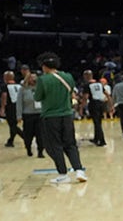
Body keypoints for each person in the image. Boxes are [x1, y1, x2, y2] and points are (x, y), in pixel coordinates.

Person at [34, 52, 87, 184]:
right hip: (67, 114)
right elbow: (71, 92)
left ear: (45, 66)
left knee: (54, 145)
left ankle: (63, 174)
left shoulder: (43, 79)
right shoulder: (67, 76)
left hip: (50, 116)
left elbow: (37, 97)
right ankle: (79, 170)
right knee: (70, 144)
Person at [17, 68, 43, 157]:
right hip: (28, 115)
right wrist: (19, 115)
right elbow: (19, 103)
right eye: (31, 78)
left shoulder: (41, 88)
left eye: (34, 78)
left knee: (40, 134)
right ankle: (28, 148)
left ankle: (40, 151)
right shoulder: (23, 89)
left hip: (40, 114)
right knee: (28, 135)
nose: (33, 79)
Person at [0, 70, 23, 147]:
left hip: (10, 107)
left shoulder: (5, 86)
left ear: (6, 77)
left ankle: (25, 137)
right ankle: (10, 141)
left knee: (12, 125)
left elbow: (4, 96)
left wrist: (2, 108)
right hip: (19, 106)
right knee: (13, 125)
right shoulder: (19, 86)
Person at [86, 69, 107, 146]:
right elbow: (107, 94)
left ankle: (102, 141)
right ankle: (96, 138)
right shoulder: (99, 84)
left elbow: (86, 97)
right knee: (98, 122)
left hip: (93, 104)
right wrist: (110, 104)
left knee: (96, 122)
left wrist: (81, 107)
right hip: (101, 103)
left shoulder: (88, 85)